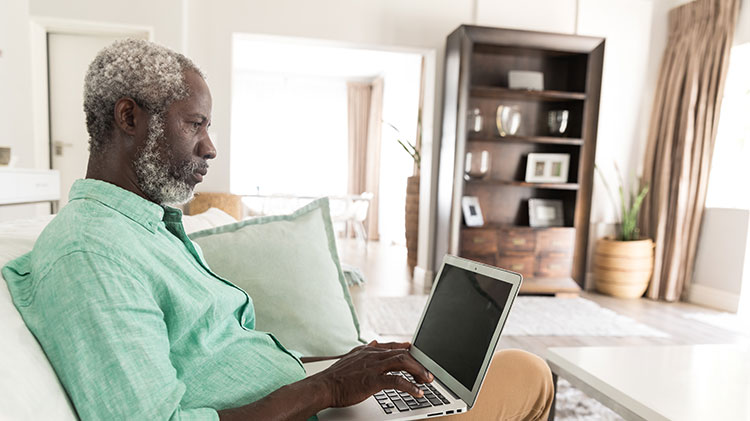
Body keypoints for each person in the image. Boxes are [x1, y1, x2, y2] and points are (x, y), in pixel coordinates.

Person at [2, 39, 553, 420]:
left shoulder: (147, 227)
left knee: (467, 375)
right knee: (529, 375)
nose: (210, 147)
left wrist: (344, 367)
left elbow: (217, 355)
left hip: (312, 403)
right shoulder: (91, 254)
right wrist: (330, 386)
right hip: (311, 410)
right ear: (129, 118)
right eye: (195, 123)